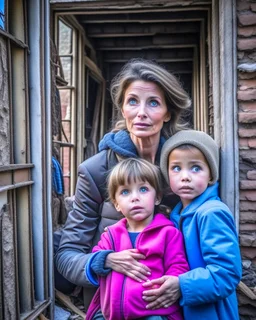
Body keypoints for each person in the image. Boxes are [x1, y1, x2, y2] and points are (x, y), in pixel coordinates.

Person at [54, 58, 191, 309]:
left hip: (177, 301)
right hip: (115, 302)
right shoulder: (95, 171)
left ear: (168, 112)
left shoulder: (184, 168)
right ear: (123, 109)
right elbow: (66, 256)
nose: (142, 112)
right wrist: (106, 260)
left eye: (153, 103)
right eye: (132, 101)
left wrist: (184, 284)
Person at [141, 130, 242, 319]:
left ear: (211, 175)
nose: (185, 176)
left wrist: (182, 284)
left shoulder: (211, 213)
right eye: (176, 168)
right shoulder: (176, 215)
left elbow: (227, 273)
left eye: (195, 168)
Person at [86, 158, 189, 320]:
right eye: (125, 192)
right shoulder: (110, 235)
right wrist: (104, 259)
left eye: (143, 189)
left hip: (154, 312)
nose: (135, 198)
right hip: (111, 314)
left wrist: (174, 281)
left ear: (157, 198)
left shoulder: (168, 233)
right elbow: (94, 262)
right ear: (116, 204)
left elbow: (178, 266)